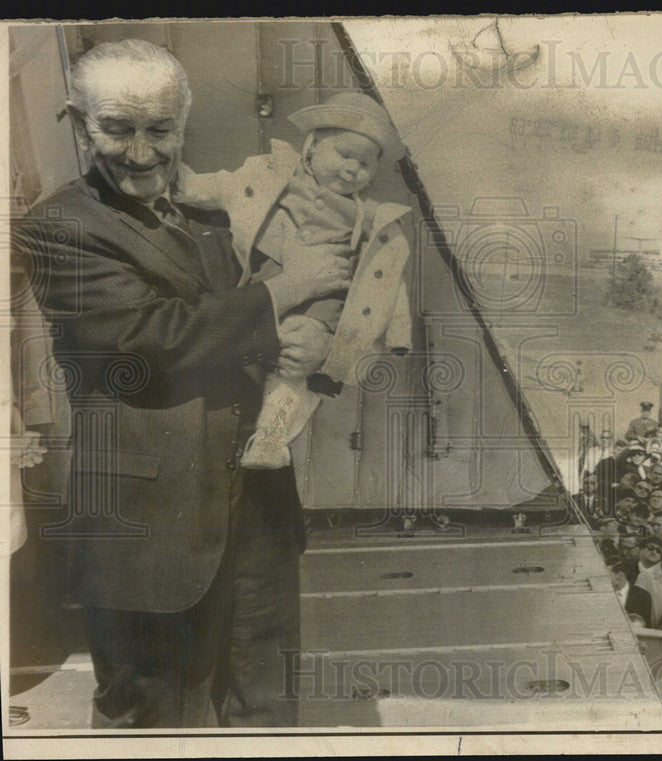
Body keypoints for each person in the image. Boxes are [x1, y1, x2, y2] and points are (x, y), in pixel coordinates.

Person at [18, 39, 349, 727]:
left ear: (184, 123)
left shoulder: (209, 209)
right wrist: (285, 292)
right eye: (117, 128)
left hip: (255, 501)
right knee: (150, 715)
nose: (141, 153)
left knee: (266, 705)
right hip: (147, 523)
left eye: (161, 129)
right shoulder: (57, 227)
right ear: (80, 124)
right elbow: (146, 342)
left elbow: (245, 326)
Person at [178, 91, 409, 468]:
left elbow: (388, 277)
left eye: (365, 164)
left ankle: (271, 435)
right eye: (345, 155)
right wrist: (187, 188)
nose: (353, 169)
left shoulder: (368, 216)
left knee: (298, 355)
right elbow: (225, 186)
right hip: (267, 282)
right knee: (270, 346)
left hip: (323, 303)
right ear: (312, 146)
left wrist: (400, 335)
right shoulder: (272, 177)